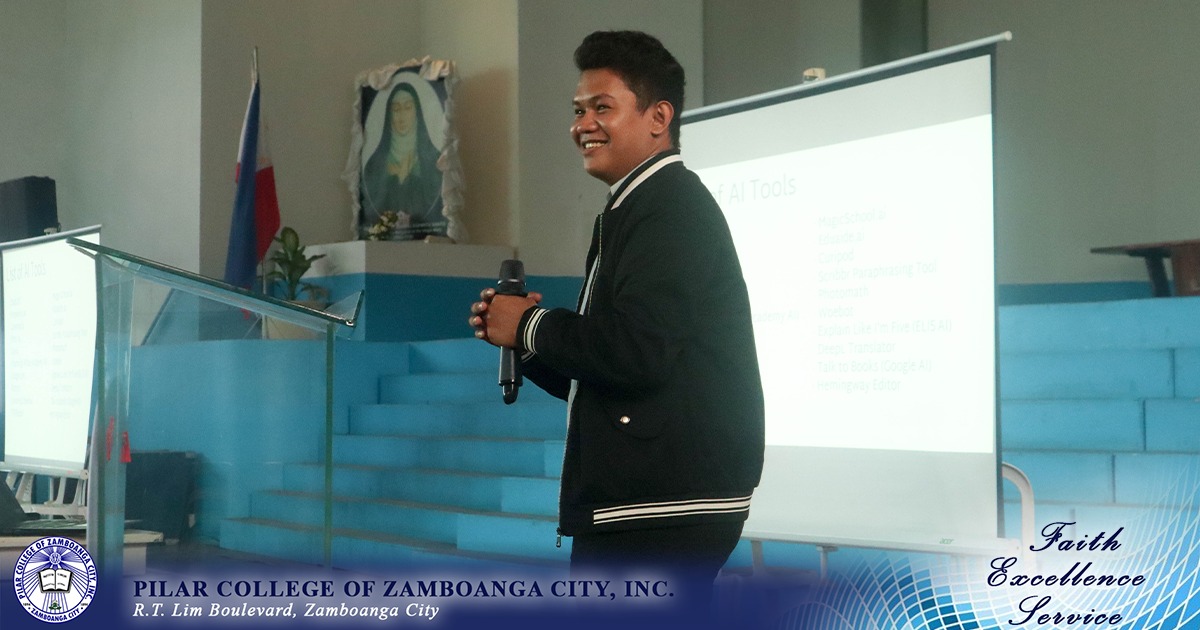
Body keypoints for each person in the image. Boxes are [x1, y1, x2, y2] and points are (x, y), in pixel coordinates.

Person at [469, 30, 764, 610]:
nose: (583, 125)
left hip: (663, 505)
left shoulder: (670, 206)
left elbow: (635, 352)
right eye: (578, 110)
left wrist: (530, 325)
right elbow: (612, 375)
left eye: (602, 107)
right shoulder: (636, 206)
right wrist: (524, 341)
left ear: (659, 117)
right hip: (649, 502)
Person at [360, 80, 446, 240]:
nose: (402, 117)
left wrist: (409, 178)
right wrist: (395, 179)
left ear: (417, 112)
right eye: (396, 109)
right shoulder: (374, 165)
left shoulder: (436, 161)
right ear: (389, 115)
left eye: (408, 108)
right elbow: (371, 214)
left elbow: (437, 209)